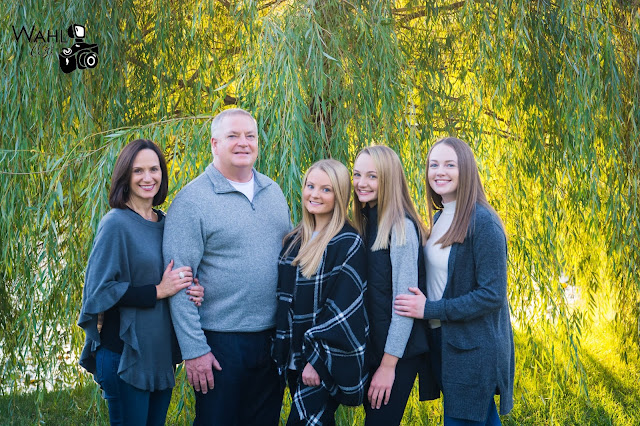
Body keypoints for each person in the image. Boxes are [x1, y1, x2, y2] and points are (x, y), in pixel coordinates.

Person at [163, 108, 291, 426]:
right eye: (233, 135)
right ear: (214, 144)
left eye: (250, 136)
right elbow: (179, 282)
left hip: (272, 338)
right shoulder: (191, 201)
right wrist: (194, 350)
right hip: (220, 342)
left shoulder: (273, 192)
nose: (243, 142)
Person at [78, 139, 204, 425]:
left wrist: (191, 289)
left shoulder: (167, 223)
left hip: (160, 356)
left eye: (154, 169)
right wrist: (158, 291)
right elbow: (98, 292)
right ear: (125, 176)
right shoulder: (116, 224)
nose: (148, 178)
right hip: (125, 354)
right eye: (138, 171)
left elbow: (176, 276)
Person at [393, 136, 515, 425]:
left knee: (463, 419)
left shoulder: (483, 223)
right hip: (445, 342)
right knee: (478, 419)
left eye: (450, 165)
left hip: (472, 349)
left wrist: (430, 309)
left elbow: (492, 295)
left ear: (466, 170)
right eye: (434, 165)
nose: (440, 172)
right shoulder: (439, 218)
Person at [273, 159, 368, 426]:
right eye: (310, 186)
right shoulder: (294, 240)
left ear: (340, 195)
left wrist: (317, 361)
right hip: (291, 356)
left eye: (326, 189)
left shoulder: (347, 242)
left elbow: (342, 309)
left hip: (320, 361)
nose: (315, 194)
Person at [352, 145, 431, 426]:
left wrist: (388, 365)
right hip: (373, 348)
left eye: (372, 176)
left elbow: (404, 305)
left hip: (397, 354)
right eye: (357, 174)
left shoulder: (401, 228)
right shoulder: (365, 223)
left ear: (389, 179)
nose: (361, 183)